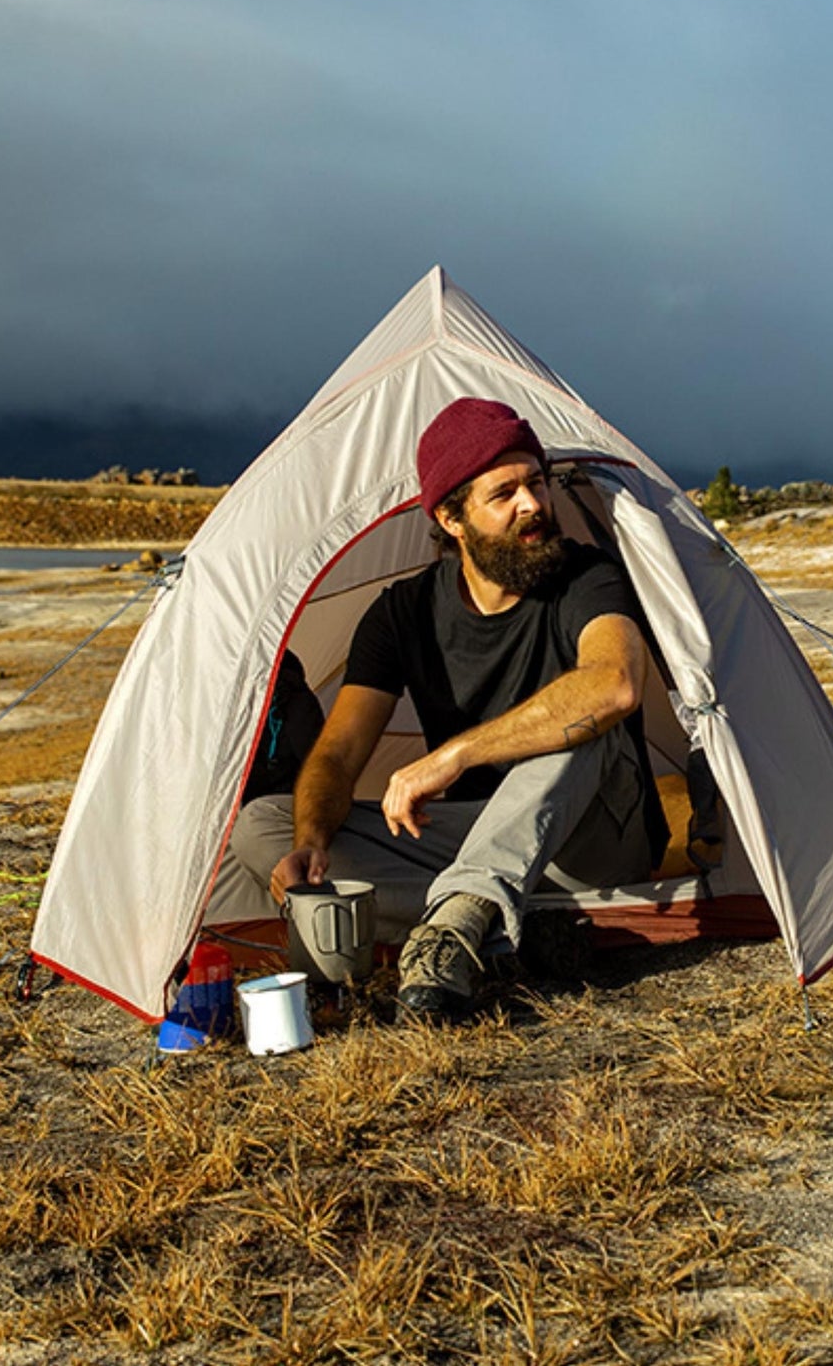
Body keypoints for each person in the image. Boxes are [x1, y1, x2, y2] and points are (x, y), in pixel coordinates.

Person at [227, 396, 667, 1018]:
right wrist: (311, 838)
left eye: (537, 483)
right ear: (450, 518)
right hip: (474, 840)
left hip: (588, 838)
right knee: (263, 825)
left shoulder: (585, 576)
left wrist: (454, 756)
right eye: (504, 493)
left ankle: (455, 924)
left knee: (583, 725)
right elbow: (339, 751)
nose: (534, 505)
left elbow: (615, 683)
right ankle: (504, 925)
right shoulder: (402, 613)